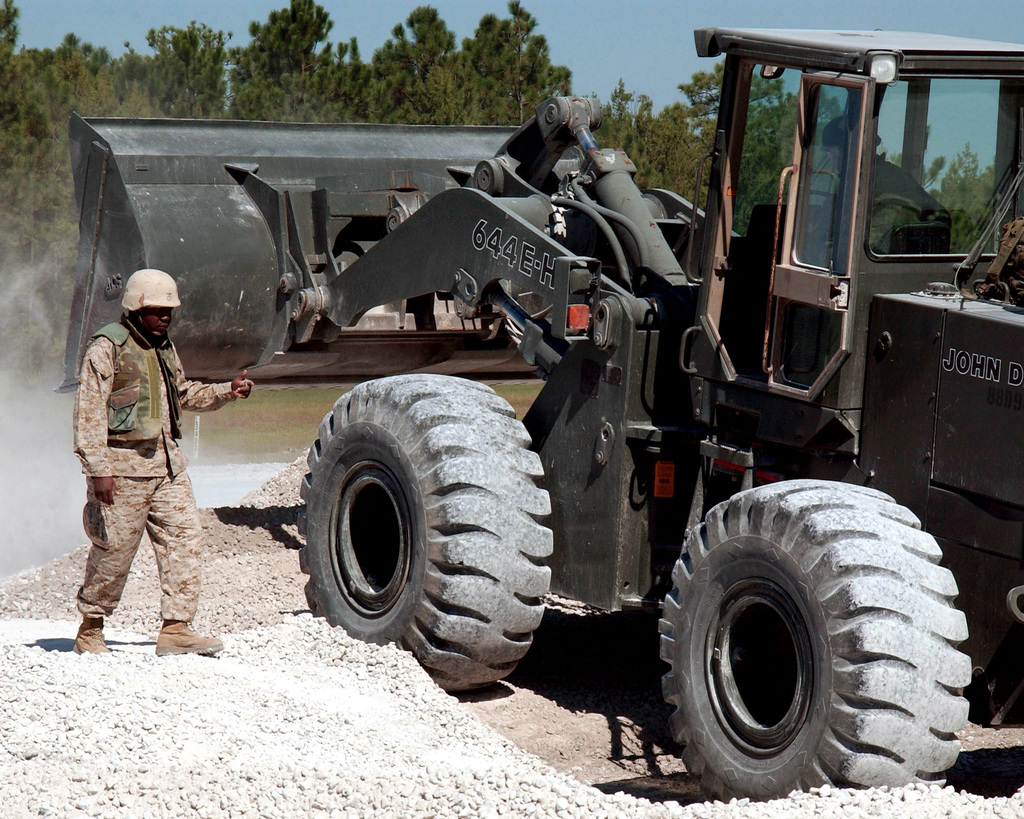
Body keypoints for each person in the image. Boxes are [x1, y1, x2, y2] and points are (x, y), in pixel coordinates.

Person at [72, 268, 254, 656]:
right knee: (113, 552)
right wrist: (98, 471)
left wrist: (228, 391)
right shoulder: (107, 348)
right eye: (158, 310)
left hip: (168, 470)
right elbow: (88, 415)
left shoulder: (164, 348)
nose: (166, 316)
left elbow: (184, 395)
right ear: (137, 308)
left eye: (170, 310)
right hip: (122, 474)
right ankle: (90, 628)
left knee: (184, 541)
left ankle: (176, 629)